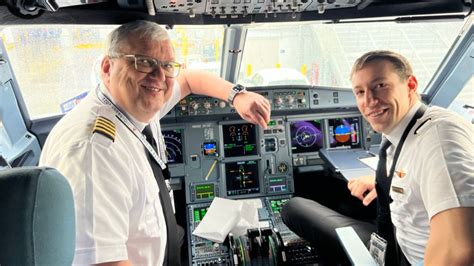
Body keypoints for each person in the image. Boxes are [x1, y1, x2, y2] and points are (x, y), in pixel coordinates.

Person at [39, 20, 271, 266]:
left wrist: (237, 95)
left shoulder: (134, 105)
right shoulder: (95, 150)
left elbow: (190, 80)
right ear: (108, 67)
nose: (159, 77)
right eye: (144, 62)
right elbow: (102, 262)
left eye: (167, 65)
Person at [282, 50, 473, 265]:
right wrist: (385, 183)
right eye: (360, 92)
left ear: (411, 85)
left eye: (380, 85)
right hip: (395, 238)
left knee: (293, 208)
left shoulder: (439, 138)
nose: (370, 100)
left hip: (409, 258)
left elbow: (458, 248)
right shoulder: (405, 126)